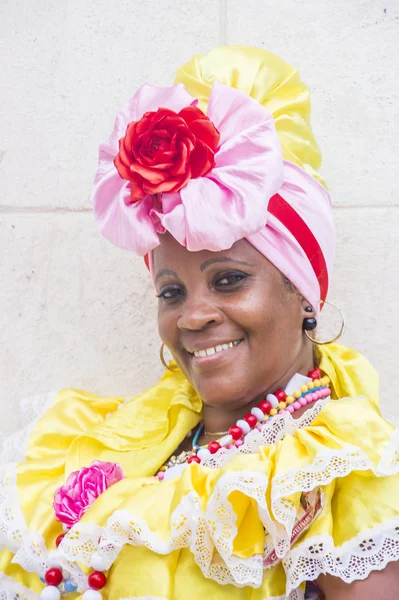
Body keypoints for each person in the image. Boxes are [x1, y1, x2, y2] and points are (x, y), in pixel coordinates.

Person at [1, 46, 398, 600]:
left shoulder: (337, 474)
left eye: (229, 279)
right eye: (171, 291)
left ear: (303, 293)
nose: (192, 315)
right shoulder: (128, 437)